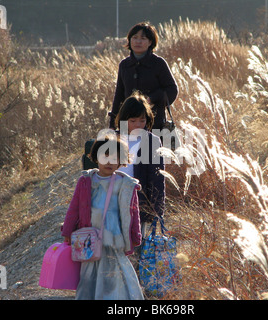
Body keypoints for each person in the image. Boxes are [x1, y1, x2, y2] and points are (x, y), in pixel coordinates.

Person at [61, 136, 144, 300]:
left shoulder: (125, 184)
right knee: (89, 271)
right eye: (105, 156)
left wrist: (136, 236)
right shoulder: (86, 181)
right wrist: (68, 232)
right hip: (90, 236)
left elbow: (133, 213)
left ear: (121, 161)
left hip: (114, 236)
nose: (109, 162)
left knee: (115, 270)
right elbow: (74, 208)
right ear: (95, 157)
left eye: (115, 158)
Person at [109, 21, 178, 131]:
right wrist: (112, 125)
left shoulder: (158, 63)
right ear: (129, 40)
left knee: (152, 147)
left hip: (154, 124)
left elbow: (172, 90)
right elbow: (119, 95)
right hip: (127, 125)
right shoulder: (124, 65)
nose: (138, 42)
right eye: (135, 37)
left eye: (143, 38)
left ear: (150, 42)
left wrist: (151, 98)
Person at [115, 92, 165, 233]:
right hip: (111, 199)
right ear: (124, 120)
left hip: (137, 201)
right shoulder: (113, 138)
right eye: (133, 121)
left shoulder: (152, 141)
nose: (138, 125)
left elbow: (157, 178)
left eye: (142, 121)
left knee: (136, 242)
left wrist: (157, 211)